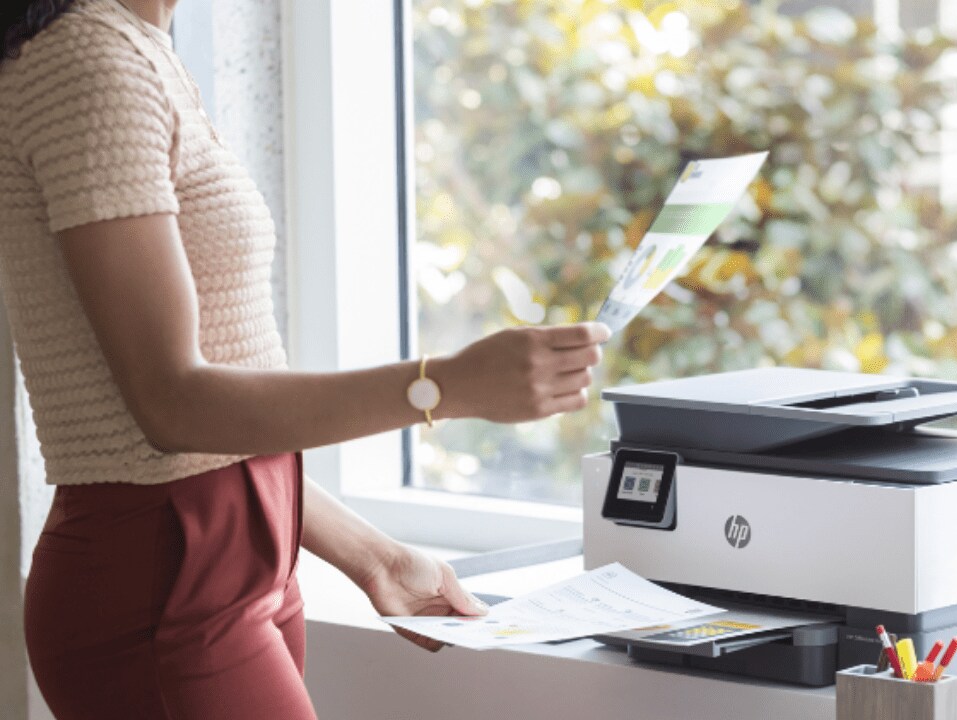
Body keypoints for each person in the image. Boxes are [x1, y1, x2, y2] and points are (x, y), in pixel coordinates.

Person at [0, 0, 610, 717]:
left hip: (233, 565)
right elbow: (171, 406)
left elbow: (208, 447)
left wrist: (376, 557)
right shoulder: (86, 62)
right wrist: (446, 386)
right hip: (161, 591)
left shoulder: (138, 48)